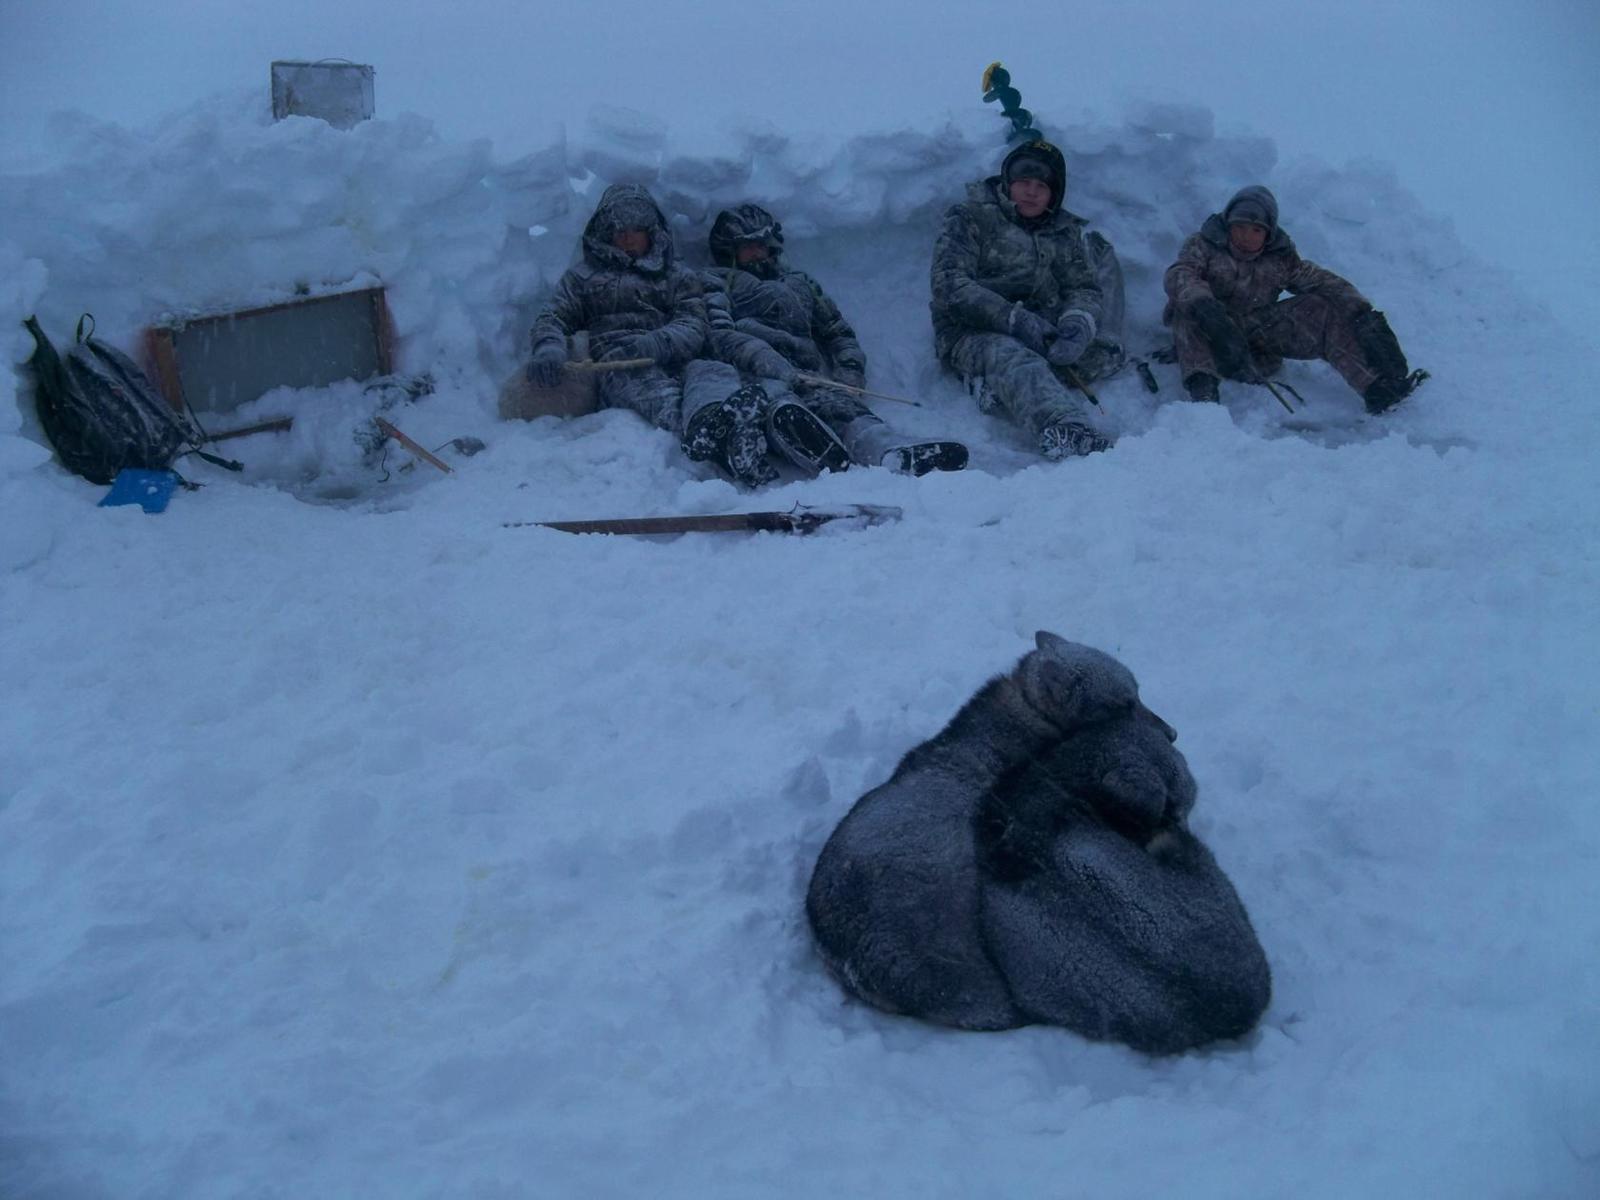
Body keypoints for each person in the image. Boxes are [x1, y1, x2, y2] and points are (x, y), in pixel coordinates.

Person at [696, 203, 967, 477]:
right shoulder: (714, 282)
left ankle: (889, 452)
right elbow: (719, 334)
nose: (757, 252)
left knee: (840, 406)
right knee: (781, 409)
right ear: (728, 250)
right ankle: (823, 456)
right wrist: (765, 359)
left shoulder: (799, 283)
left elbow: (837, 331)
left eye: (761, 244)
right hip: (754, 374)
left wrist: (850, 372)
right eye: (747, 246)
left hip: (808, 375)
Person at [527, 184, 771, 486]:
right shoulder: (583, 277)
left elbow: (694, 323)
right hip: (621, 365)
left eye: (636, 229)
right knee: (663, 396)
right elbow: (553, 316)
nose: (627, 237)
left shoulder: (678, 276)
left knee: (713, 372)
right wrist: (549, 348)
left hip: (679, 357)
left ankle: (734, 430)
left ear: (652, 231)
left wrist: (656, 343)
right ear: (605, 233)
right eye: (619, 230)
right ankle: (720, 442)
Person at [930, 139, 1125, 460]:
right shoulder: (970, 217)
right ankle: (1064, 427)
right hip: (971, 332)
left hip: (1043, 328)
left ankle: (996, 388)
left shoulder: (1063, 231)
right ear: (1008, 182)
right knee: (1013, 356)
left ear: (1055, 193)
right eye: (1023, 182)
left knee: (1103, 356)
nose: (1031, 192)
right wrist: (1013, 319)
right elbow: (948, 285)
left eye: (1041, 186)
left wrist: (1078, 323)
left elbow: (1084, 288)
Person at [1163, 184, 1423, 412]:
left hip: (1255, 340)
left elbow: (1325, 283)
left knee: (1320, 306)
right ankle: (1204, 395)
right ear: (1227, 223)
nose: (1246, 236)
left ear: (1268, 234)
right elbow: (1180, 273)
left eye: (1256, 230)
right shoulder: (1202, 244)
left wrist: (1364, 315)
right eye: (1239, 227)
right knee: (1186, 309)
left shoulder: (1280, 258)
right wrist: (1209, 311)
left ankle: (1377, 389)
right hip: (1211, 338)